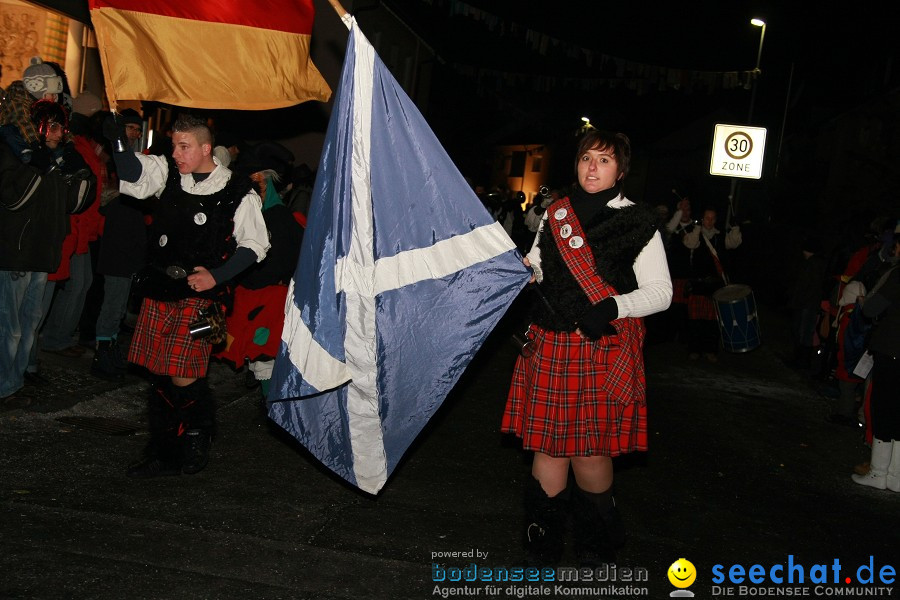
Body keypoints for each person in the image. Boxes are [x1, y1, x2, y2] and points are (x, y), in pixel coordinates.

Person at [502, 129, 672, 565]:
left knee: (590, 451)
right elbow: (539, 267)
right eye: (586, 158)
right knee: (548, 447)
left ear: (621, 170)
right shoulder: (555, 213)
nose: (592, 167)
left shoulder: (638, 220)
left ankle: (597, 545)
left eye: (604, 160)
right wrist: (524, 270)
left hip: (598, 349)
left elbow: (662, 292)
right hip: (551, 344)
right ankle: (542, 546)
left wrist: (614, 307)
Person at [106, 113, 269, 477]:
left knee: (184, 373)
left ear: (205, 147)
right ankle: (163, 449)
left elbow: (256, 245)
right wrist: (119, 141)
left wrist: (217, 276)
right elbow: (133, 175)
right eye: (175, 145)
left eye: (185, 146)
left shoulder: (236, 190)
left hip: (203, 299)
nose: (176, 153)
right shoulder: (168, 173)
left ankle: (196, 436)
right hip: (161, 289)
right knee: (160, 373)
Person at [0, 99, 96, 406]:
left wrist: (81, 177)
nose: (60, 133)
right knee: (10, 328)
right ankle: (5, 386)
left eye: (63, 126)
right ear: (40, 126)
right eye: (54, 126)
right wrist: (38, 167)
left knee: (29, 327)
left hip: (42, 253)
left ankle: (15, 380)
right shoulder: (14, 152)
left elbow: (70, 205)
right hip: (17, 252)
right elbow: (13, 199)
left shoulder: (54, 157)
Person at [851, 232, 900, 491]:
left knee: (884, 408)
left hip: (892, 349)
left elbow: (871, 309)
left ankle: (879, 472)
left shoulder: (897, 274)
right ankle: (896, 476)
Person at [683, 207, 742, 361]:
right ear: (702, 218)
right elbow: (690, 244)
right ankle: (694, 350)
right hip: (698, 284)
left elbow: (734, 243)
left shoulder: (720, 236)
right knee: (695, 321)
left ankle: (710, 351)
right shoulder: (695, 233)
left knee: (713, 321)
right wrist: (697, 228)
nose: (710, 221)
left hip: (716, 286)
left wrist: (735, 227)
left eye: (713, 218)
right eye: (707, 218)